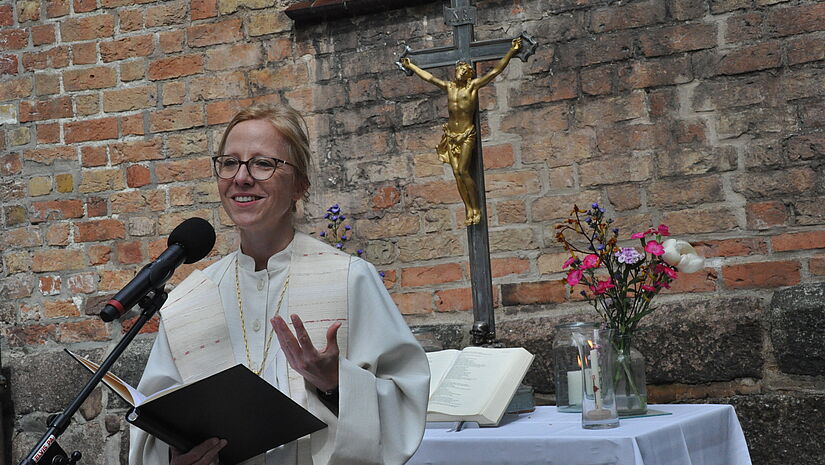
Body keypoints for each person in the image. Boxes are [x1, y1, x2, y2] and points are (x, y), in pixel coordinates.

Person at [129, 103, 430, 465]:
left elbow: (405, 399)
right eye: (229, 162)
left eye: (262, 163)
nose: (241, 177)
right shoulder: (189, 300)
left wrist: (335, 383)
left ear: (299, 184)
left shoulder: (350, 279)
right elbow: (152, 426)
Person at [400, 37, 522, 226]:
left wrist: (512, 51)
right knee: (456, 173)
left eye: (464, 70)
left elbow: (496, 70)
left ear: (469, 74)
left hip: (466, 134)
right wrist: (412, 67)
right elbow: (429, 78)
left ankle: (475, 208)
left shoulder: (473, 87)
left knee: (464, 171)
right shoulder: (449, 87)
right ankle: (468, 209)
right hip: (450, 135)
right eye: (458, 69)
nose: (460, 72)